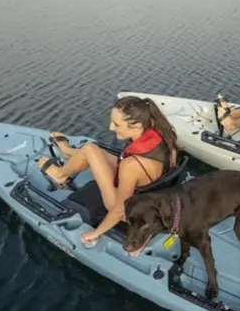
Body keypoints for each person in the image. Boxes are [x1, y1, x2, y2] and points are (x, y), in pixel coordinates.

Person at [37, 96, 178, 247]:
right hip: (147, 191)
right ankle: (69, 152)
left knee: (90, 149)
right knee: (94, 149)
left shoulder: (131, 165)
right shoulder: (166, 139)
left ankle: (60, 174)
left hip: (124, 208)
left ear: (136, 126)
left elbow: (119, 210)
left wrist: (95, 233)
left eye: (116, 124)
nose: (111, 127)